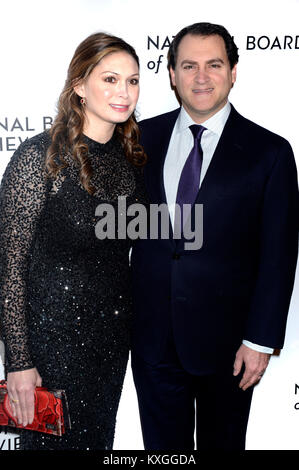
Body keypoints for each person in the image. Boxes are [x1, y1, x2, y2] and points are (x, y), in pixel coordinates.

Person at [131, 22, 299, 450]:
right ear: (171, 74)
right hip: (152, 341)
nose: (201, 76)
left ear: (234, 71)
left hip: (230, 347)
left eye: (214, 64)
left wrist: (260, 340)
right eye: (189, 65)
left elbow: (278, 256)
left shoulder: (270, 152)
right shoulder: (138, 139)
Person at [0, 32, 146, 450]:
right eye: (111, 79)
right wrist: (19, 362)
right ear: (80, 86)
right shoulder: (39, 158)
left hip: (112, 344)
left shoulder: (131, 162)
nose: (124, 92)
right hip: (51, 349)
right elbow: (9, 269)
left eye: (133, 81)